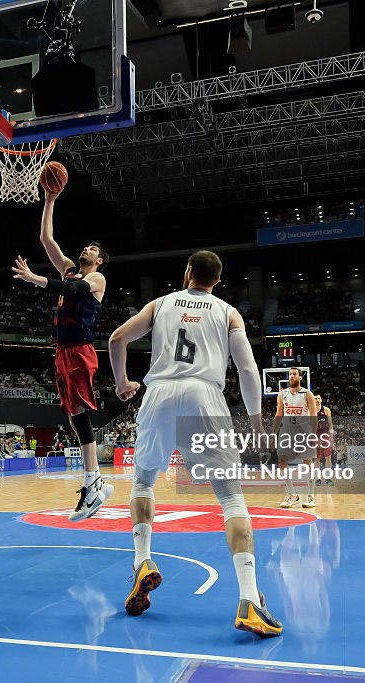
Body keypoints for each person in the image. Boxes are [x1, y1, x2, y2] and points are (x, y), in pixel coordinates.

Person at [107, 250, 282, 637]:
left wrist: (122, 384)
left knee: (143, 484)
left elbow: (117, 338)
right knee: (231, 499)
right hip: (203, 395)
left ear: (187, 273)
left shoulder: (161, 304)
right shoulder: (228, 312)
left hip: (158, 393)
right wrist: (255, 422)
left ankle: (143, 562)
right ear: (217, 280)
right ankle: (251, 599)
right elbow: (248, 369)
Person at [11, 195, 113, 521]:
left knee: (81, 413)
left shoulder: (96, 279)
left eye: (93, 249)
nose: (87, 250)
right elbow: (46, 238)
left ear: (99, 260)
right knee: (72, 415)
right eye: (86, 247)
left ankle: (93, 482)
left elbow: (73, 293)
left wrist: (35, 279)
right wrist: (51, 199)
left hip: (81, 350)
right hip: (61, 351)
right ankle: (95, 482)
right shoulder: (69, 270)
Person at [275, 368, 318, 509]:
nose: (291, 376)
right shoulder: (282, 394)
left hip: (303, 430)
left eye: (294, 374)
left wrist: (313, 433)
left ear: (300, 377)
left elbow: (313, 415)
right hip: (286, 430)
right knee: (282, 461)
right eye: (290, 374)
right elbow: (279, 413)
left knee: (308, 462)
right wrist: (273, 432)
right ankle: (293, 496)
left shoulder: (308, 394)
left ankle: (311, 496)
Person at [313, 393, 334, 487]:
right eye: (315, 398)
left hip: (326, 435)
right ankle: (318, 479)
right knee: (317, 459)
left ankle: (328, 478)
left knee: (328, 457)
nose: (317, 400)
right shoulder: (311, 411)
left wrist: (331, 435)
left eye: (319, 398)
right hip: (315, 435)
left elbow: (330, 424)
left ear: (321, 400)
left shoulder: (326, 410)